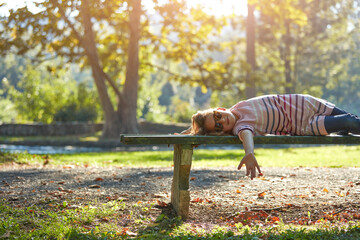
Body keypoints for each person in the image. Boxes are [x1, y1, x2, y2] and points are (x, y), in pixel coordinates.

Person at [181, 94, 360, 179]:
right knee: (348, 122)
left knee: (351, 120)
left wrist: (191, 130)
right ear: (222, 132)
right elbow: (246, 136)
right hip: (305, 124)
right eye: (218, 127)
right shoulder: (241, 125)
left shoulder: (237, 107)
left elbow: (201, 121)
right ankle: (342, 127)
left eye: (218, 116)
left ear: (220, 109)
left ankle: (343, 128)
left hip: (307, 103)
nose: (223, 121)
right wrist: (249, 153)